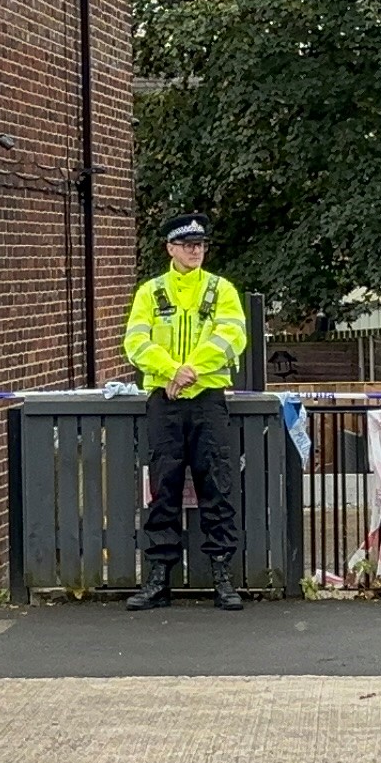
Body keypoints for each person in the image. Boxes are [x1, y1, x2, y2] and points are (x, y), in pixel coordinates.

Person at [123, 214, 249, 611]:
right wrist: (171, 371)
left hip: (208, 398)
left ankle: (223, 578)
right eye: (188, 244)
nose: (196, 250)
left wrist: (188, 371)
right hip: (164, 400)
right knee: (164, 488)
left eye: (201, 244)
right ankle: (159, 581)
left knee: (217, 486)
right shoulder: (150, 292)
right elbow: (135, 342)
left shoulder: (221, 289)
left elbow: (233, 337)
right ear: (170, 248)